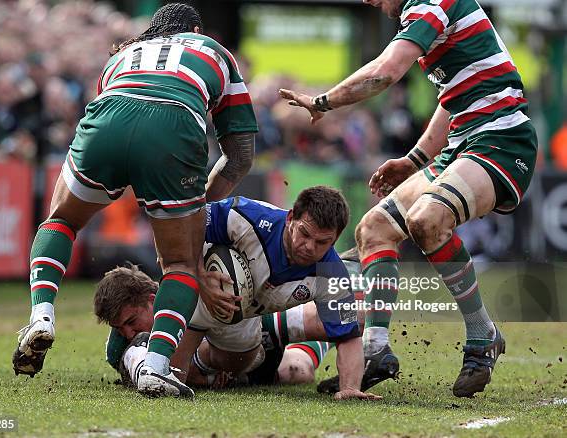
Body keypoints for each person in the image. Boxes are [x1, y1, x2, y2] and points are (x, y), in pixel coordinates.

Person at [280, 0, 536, 398]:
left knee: (427, 220)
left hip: (501, 141)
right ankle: (375, 350)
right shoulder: (425, 15)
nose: (368, 1)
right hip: (463, 143)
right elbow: (451, 97)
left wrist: (323, 102)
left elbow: (385, 72)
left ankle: (482, 334)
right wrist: (415, 159)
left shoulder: (432, 3)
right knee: (372, 229)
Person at [12, 3, 258, 399]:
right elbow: (241, 155)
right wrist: (197, 209)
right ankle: (157, 367)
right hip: (173, 124)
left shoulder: (122, 55)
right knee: (179, 263)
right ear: (195, 28)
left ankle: (41, 315)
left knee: (59, 222)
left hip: (109, 115)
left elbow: (122, 113)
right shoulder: (214, 50)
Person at [95, 186, 382, 401]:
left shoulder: (331, 273)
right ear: (291, 217)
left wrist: (349, 388)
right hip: (208, 305)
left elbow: (348, 337)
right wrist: (200, 278)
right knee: (167, 378)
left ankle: (214, 368)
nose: (309, 246)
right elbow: (182, 227)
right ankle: (178, 368)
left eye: (322, 242)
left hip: (251, 317)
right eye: (304, 234)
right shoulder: (248, 217)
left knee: (345, 326)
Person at [92, 265, 332, 389]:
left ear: (154, 300)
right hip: (243, 370)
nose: (128, 334)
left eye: (131, 322)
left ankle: (362, 310)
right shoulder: (119, 348)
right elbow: (176, 375)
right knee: (298, 371)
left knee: (321, 320)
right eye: (119, 328)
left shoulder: (186, 297)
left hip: (243, 332)